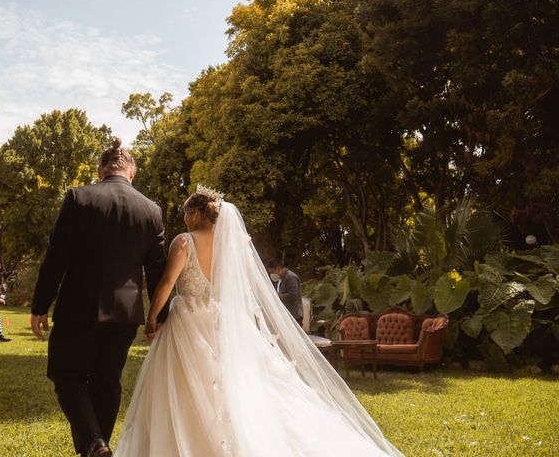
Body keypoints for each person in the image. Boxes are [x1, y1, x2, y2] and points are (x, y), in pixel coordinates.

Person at [114, 186, 403, 457]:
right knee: (238, 385)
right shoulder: (233, 246)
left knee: (182, 390)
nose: (186, 219)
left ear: (200, 213)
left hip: (188, 323)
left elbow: (167, 282)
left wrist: (152, 318)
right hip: (224, 325)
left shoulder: (184, 242)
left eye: (188, 213)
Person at [30, 137, 167, 457]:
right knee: (108, 383)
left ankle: (95, 443)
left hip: (79, 306)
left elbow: (56, 258)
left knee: (66, 375)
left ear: (100, 170)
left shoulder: (78, 198)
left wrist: (40, 305)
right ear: (132, 173)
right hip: (125, 312)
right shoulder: (151, 210)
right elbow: (158, 269)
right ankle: (98, 448)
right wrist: (158, 315)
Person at [266, 257, 303, 326]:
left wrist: (276, 296)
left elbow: (293, 295)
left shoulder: (291, 277)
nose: (271, 274)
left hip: (294, 316)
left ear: (278, 269)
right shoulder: (281, 278)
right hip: (286, 315)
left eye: (272, 272)